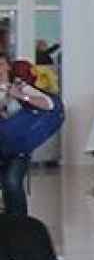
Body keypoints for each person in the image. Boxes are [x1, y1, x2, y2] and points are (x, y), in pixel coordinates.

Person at [0, 60, 54, 216]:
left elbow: (48, 104)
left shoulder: (19, 85)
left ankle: (19, 225)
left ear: (8, 67)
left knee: (12, 182)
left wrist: (21, 96)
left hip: (17, 148)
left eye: (2, 64)